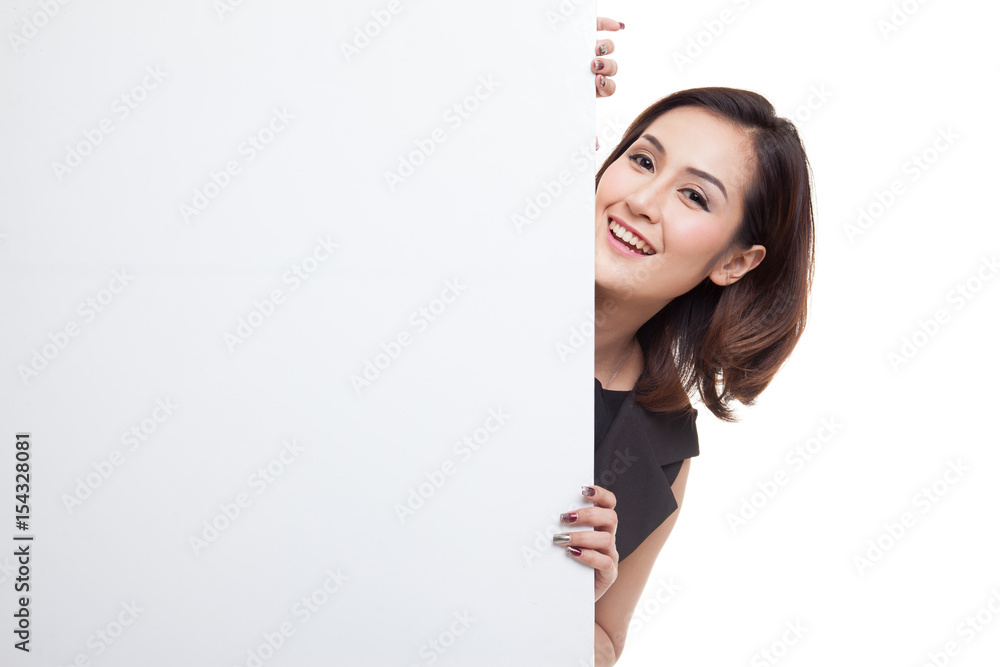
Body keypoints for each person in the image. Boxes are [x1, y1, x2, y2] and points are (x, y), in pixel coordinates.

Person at [551, 16, 817, 667]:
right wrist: (521, 72)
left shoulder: (655, 444)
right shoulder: (466, 292)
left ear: (735, 262)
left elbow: (604, 641)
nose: (642, 199)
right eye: (641, 159)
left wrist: (561, 604)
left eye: (694, 196)